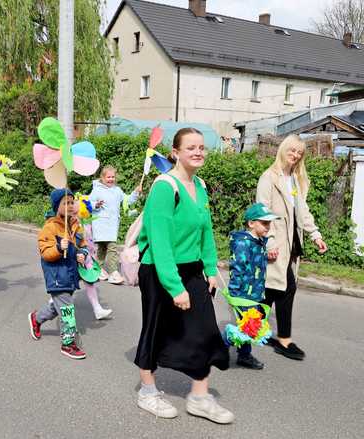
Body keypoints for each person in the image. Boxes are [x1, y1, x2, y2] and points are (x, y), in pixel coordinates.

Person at [134, 128, 232, 423]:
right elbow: (160, 240)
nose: (198, 152)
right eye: (191, 147)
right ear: (175, 152)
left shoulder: (200, 185)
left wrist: (211, 269)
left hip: (191, 269)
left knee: (205, 330)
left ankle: (199, 397)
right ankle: (147, 392)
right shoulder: (165, 187)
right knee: (155, 328)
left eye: (202, 147)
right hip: (160, 269)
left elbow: (206, 231)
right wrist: (175, 287)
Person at [256, 134, 328, 361]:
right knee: (285, 288)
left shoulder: (295, 180)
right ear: (283, 149)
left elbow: (302, 211)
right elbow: (261, 211)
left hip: (292, 243)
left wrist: (315, 234)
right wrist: (269, 241)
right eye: (292, 150)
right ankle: (284, 339)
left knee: (272, 290)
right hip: (277, 243)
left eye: (300, 152)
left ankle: (251, 327)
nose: (296, 155)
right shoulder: (269, 177)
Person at [28, 189, 88, 360]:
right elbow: (45, 253)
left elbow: (82, 245)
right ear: (57, 206)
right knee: (67, 309)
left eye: (71, 202)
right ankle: (68, 344)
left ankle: (36, 318)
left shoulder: (76, 224)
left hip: (70, 274)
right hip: (56, 275)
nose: (69, 205)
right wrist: (58, 248)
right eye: (65, 203)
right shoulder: (50, 227)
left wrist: (82, 253)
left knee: (58, 306)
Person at [226, 202, 280, 370]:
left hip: (255, 292)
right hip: (243, 294)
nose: (268, 227)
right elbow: (237, 268)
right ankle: (221, 346)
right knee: (248, 326)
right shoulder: (243, 243)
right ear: (251, 223)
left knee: (249, 325)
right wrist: (234, 294)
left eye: (269, 223)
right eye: (264, 223)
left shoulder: (259, 241)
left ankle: (243, 355)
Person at [89, 165, 141, 284]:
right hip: (100, 224)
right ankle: (107, 271)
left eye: (112, 177)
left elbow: (127, 201)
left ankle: (106, 270)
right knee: (102, 248)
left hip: (111, 225)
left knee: (110, 248)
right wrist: (95, 205)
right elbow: (89, 203)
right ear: (102, 178)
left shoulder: (117, 190)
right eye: (108, 177)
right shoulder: (97, 190)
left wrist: (135, 193)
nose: (111, 179)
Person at [74, 194, 113, 320]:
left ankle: (97, 309)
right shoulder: (71, 222)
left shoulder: (85, 222)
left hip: (86, 257)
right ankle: (54, 302)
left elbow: (88, 240)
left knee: (89, 280)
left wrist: (90, 253)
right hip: (73, 257)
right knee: (68, 284)